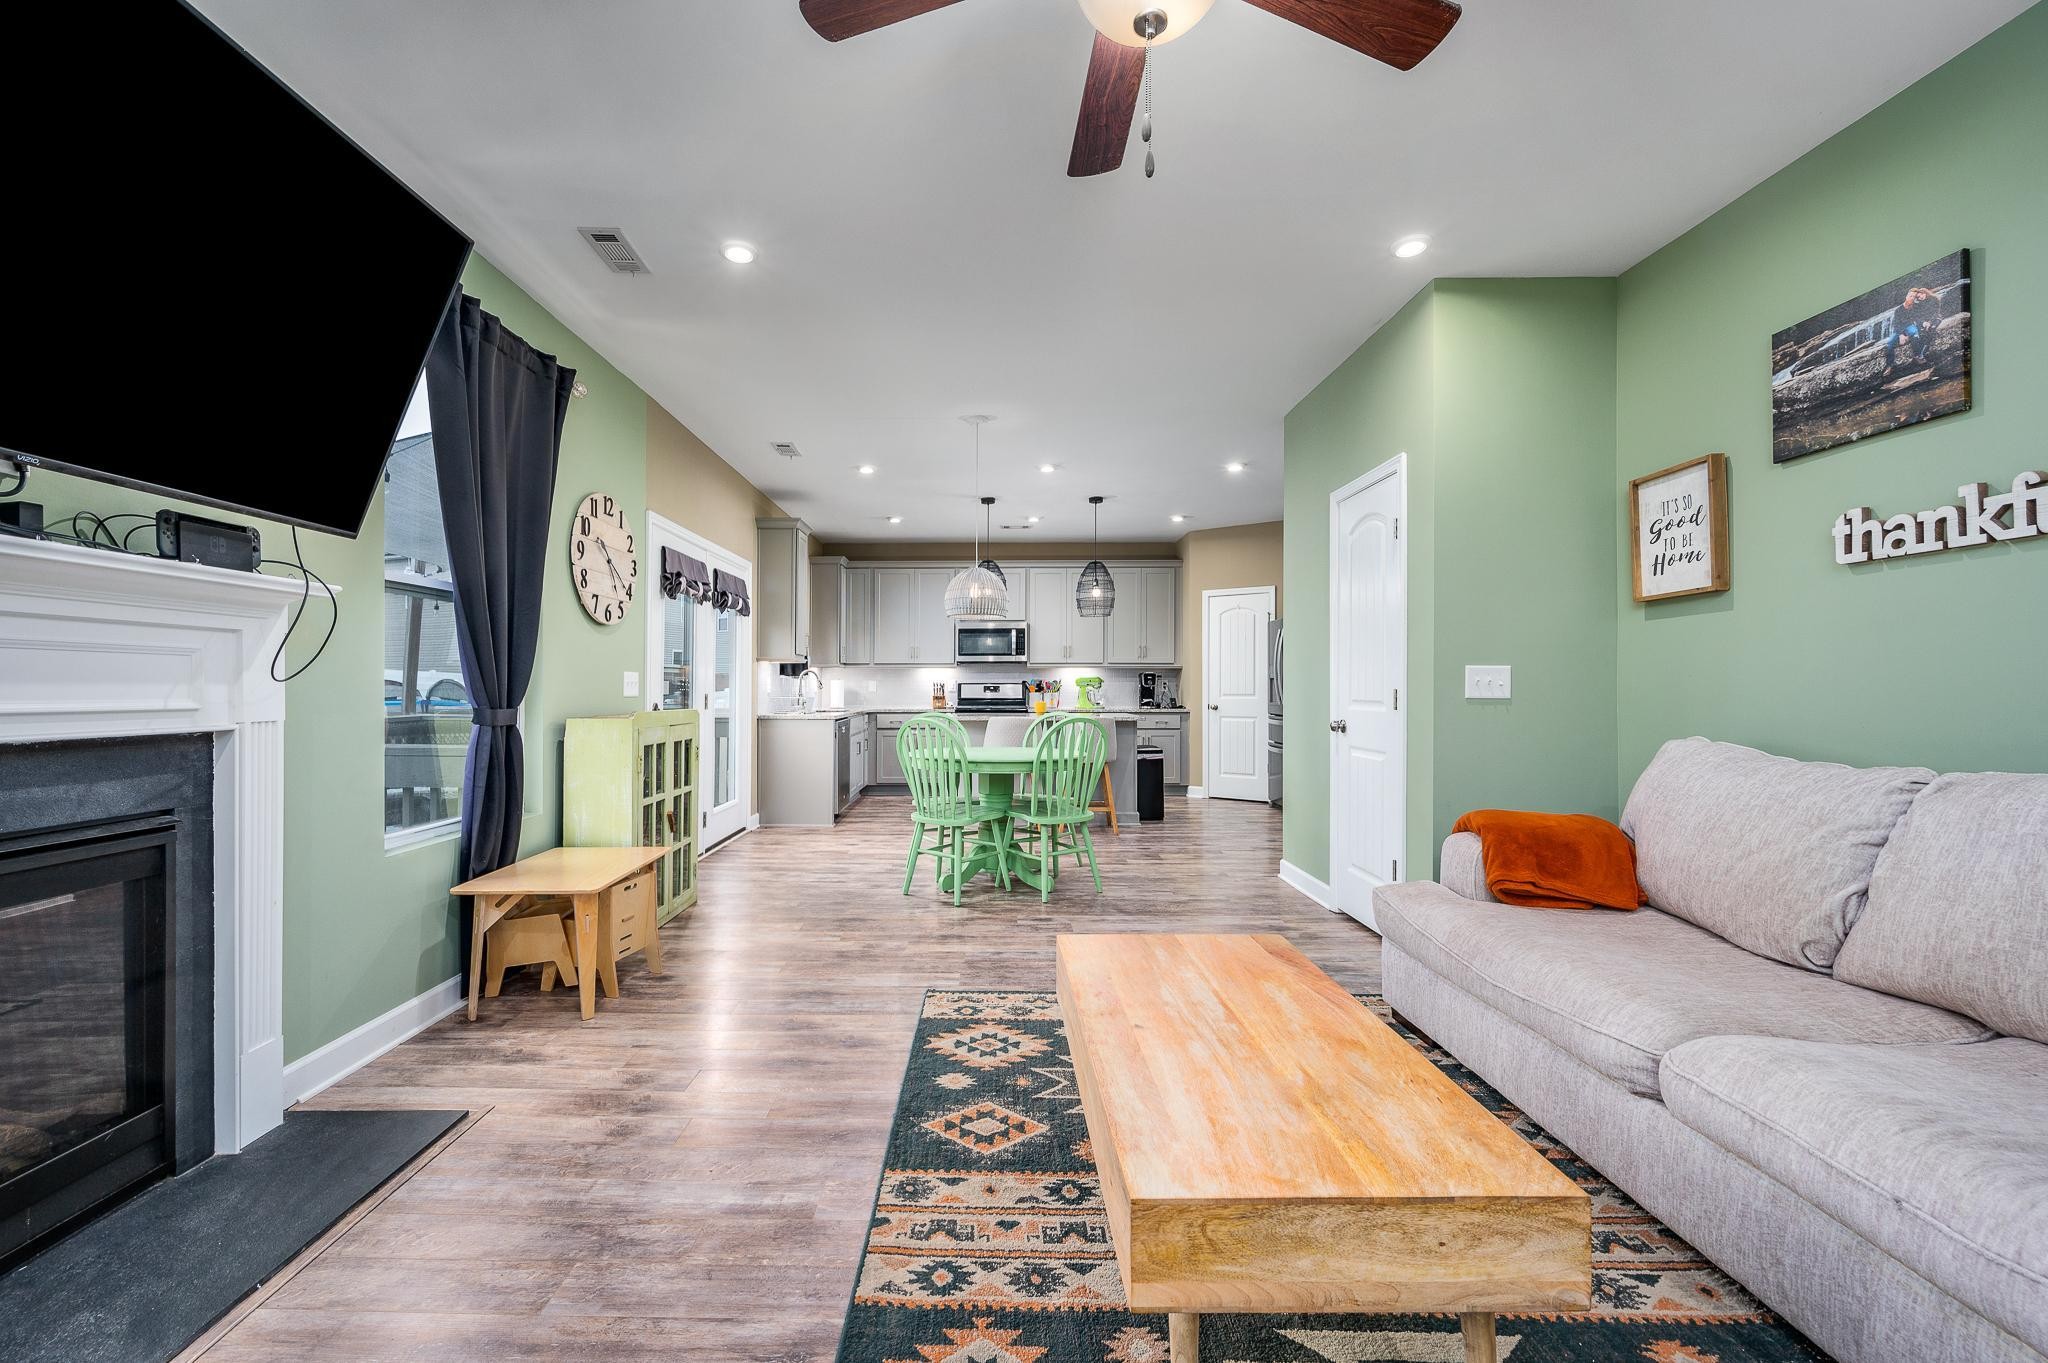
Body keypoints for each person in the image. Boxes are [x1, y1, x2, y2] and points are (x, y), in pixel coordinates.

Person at [1885, 284, 1945, 371]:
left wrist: (1926, 323)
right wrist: (1901, 335)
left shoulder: (1916, 307)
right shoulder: (1898, 310)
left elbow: (1918, 318)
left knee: (1914, 333)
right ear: (1907, 296)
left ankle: (1918, 356)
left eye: (1914, 297)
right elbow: (1896, 324)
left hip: (1910, 327)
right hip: (1900, 329)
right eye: (1911, 296)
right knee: (1890, 343)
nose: (1912, 298)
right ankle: (1889, 365)